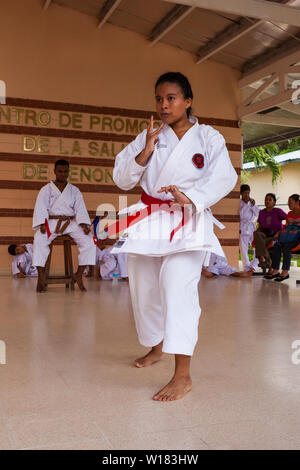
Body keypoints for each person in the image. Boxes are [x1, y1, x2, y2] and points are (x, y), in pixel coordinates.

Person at [111, 72, 237, 401]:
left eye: (171, 98)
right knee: (143, 285)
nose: (164, 105)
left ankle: (182, 375)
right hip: (150, 218)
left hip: (189, 220)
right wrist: (146, 151)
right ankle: (157, 346)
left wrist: (192, 198)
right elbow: (122, 178)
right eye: (159, 99)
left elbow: (225, 175)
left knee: (177, 288)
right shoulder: (150, 135)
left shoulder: (208, 137)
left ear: (188, 101)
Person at [32, 159, 96, 292]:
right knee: (39, 240)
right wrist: (42, 223)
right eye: (60, 171)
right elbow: (41, 206)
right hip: (51, 221)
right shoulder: (46, 189)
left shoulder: (74, 190)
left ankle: (78, 274)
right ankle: (41, 277)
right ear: (54, 171)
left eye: (65, 171)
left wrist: (84, 224)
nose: (63, 174)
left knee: (89, 240)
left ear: (69, 172)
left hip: (70, 222)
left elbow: (80, 208)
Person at [266, 194, 300, 282]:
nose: (288, 204)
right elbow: (287, 227)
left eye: (290, 202)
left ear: (297, 202)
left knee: (286, 246)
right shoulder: (289, 214)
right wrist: (279, 232)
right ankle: (276, 270)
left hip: (297, 239)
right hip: (289, 237)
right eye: (288, 202)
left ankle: (285, 272)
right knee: (277, 245)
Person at [253, 193, 286, 270]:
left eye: (270, 200)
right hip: (265, 236)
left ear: (274, 202)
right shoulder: (261, 212)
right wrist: (257, 235)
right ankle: (263, 258)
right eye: (266, 199)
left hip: (275, 236)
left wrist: (281, 231)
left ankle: (265, 262)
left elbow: (288, 219)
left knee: (261, 244)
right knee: (256, 234)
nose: (267, 201)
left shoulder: (278, 211)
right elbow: (260, 226)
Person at [239, 184, 259, 272]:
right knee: (244, 248)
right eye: (245, 193)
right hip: (243, 227)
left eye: (248, 193)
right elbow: (241, 214)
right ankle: (246, 267)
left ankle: (254, 265)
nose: (247, 195)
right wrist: (247, 204)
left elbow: (257, 214)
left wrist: (253, 205)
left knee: (257, 246)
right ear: (241, 193)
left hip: (251, 226)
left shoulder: (252, 202)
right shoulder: (239, 203)